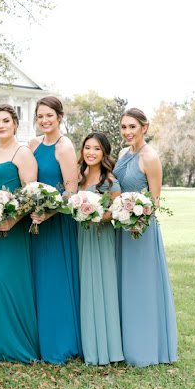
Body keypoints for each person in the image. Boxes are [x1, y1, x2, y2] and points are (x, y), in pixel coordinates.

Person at [0, 104, 40, 363]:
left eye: (5, 120)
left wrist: (12, 221)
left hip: (11, 230)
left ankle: (16, 345)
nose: (0, 125)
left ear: (15, 123)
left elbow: (31, 194)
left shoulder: (23, 153)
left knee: (8, 281)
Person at [113, 108, 177, 367]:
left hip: (140, 230)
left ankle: (144, 348)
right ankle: (122, 343)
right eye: (123, 127)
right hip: (120, 229)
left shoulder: (150, 157)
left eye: (132, 127)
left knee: (141, 286)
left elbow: (155, 200)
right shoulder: (121, 154)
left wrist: (134, 213)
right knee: (122, 284)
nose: (127, 132)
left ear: (144, 128)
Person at [28, 96, 82, 363]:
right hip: (35, 222)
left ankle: (60, 343)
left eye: (49, 115)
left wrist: (48, 212)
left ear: (60, 117)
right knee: (38, 279)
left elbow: (71, 190)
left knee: (55, 281)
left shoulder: (65, 146)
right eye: (40, 116)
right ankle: (39, 340)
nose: (44, 120)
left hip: (57, 222)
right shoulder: (34, 144)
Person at [76, 132, 124, 365]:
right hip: (80, 237)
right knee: (85, 287)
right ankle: (87, 346)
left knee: (102, 288)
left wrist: (96, 216)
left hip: (100, 236)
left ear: (104, 152)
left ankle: (107, 350)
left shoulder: (110, 181)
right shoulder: (78, 177)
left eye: (96, 148)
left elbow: (116, 211)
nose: (91, 152)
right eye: (87, 147)